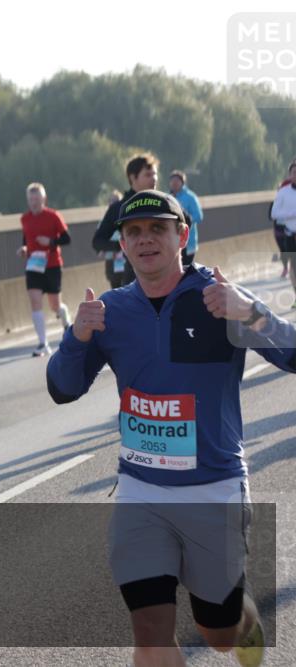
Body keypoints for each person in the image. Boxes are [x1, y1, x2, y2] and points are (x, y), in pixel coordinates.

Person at [47, 189, 296, 667]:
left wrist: (251, 313)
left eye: (158, 229)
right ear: (122, 244)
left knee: (219, 631)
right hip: (141, 490)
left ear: (182, 235)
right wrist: (76, 338)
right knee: (149, 632)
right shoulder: (111, 311)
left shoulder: (218, 298)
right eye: (134, 232)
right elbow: (62, 388)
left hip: (214, 488)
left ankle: (242, 623)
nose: (145, 240)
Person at [16, 182, 72, 356]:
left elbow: (67, 239)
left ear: (44, 199)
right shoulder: (24, 219)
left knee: (55, 305)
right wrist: (24, 249)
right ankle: (43, 343)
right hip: (33, 265)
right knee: (35, 301)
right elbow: (26, 239)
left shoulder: (53, 216)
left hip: (52, 264)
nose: (34, 202)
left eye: (37, 199)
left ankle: (65, 321)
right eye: (31, 199)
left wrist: (51, 242)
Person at [93, 154, 161, 288]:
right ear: (133, 177)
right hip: (133, 281)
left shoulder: (165, 204)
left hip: (164, 278)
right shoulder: (119, 208)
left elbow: (184, 224)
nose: (154, 178)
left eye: (155, 174)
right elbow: (98, 241)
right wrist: (122, 245)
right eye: (148, 174)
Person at [270, 159, 296, 291]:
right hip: (290, 234)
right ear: (290, 175)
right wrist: (290, 214)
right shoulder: (283, 192)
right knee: (294, 267)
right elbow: (274, 213)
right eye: (294, 173)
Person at [169, 170, 203, 266]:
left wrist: (185, 221)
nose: (174, 183)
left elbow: (199, 216)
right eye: (172, 181)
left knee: (185, 268)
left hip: (188, 242)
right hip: (172, 242)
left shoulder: (190, 197)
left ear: (182, 182)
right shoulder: (167, 197)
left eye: (177, 181)